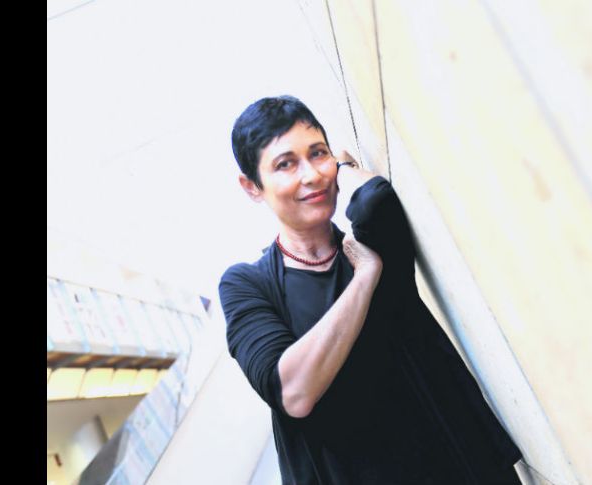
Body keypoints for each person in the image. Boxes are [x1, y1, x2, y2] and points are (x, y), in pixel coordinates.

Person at [220, 95, 524, 484]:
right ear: (252, 186)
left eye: (317, 153)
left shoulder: (370, 236)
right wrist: (365, 276)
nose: (311, 175)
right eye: (285, 164)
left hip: (460, 466)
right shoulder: (247, 285)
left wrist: (345, 167)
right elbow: (293, 392)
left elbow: (376, 198)